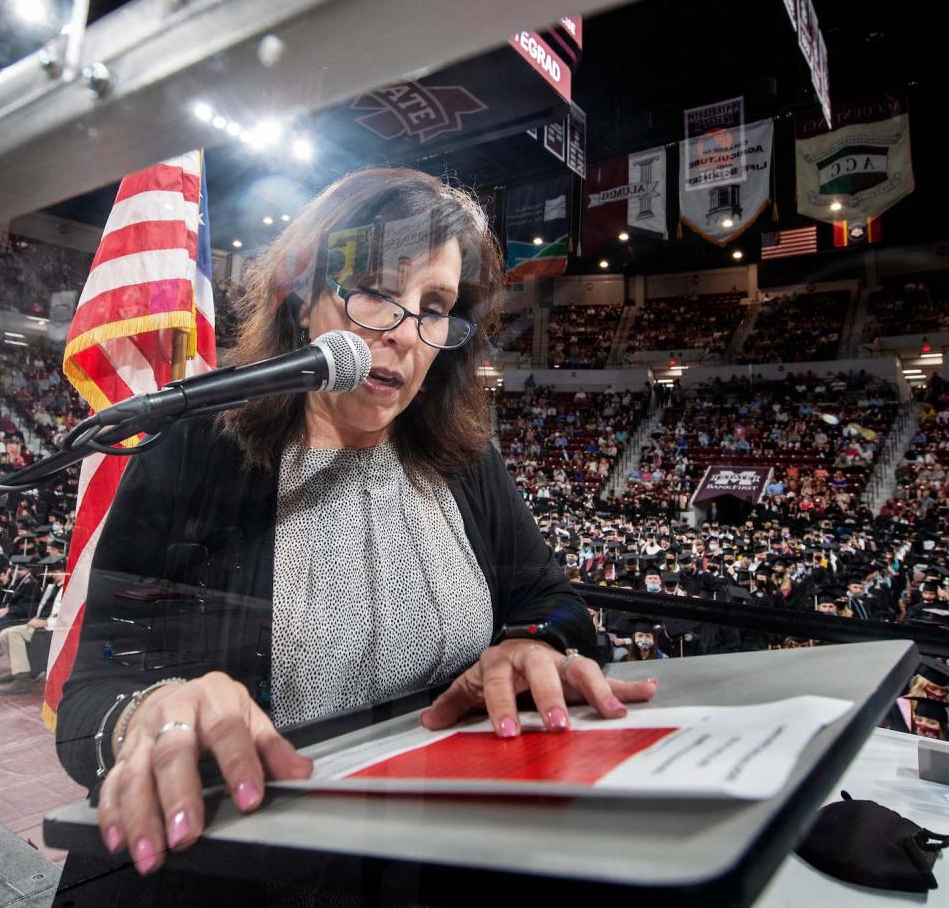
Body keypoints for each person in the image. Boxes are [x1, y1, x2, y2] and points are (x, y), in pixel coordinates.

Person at [54, 169, 656, 892]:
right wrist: (148, 714)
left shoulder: (465, 460)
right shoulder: (192, 449)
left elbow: (555, 601)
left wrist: (534, 643)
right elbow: (92, 693)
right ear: (300, 298)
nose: (404, 333)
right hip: (226, 872)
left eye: (434, 306)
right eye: (375, 289)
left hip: (428, 863)